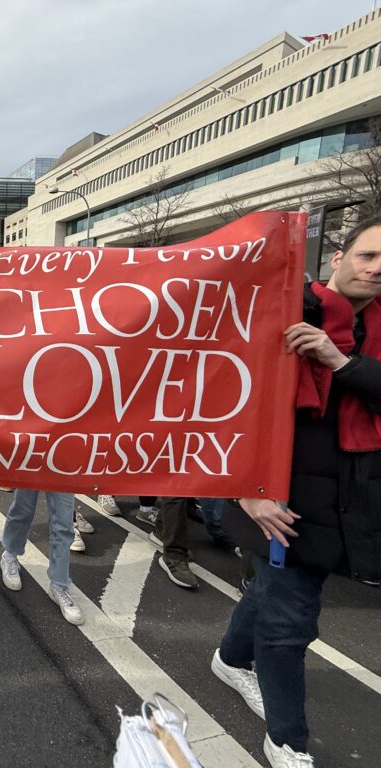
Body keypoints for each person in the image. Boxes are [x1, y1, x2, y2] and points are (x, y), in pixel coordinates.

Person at [212, 216, 381, 768]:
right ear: (338, 256)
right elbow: (226, 402)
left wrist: (343, 364)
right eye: (368, 256)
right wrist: (246, 491)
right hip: (276, 502)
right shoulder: (284, 309)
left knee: (272, 595)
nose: (378, 270)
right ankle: (288, 742)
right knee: (291, 621)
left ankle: (231, 660)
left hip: (354, 502)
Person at [0, 490, 84, 625]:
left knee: (64, 522)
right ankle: (9, 554)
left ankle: (59, 584)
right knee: (23, 509)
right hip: (31, 469)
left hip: (65, 470)